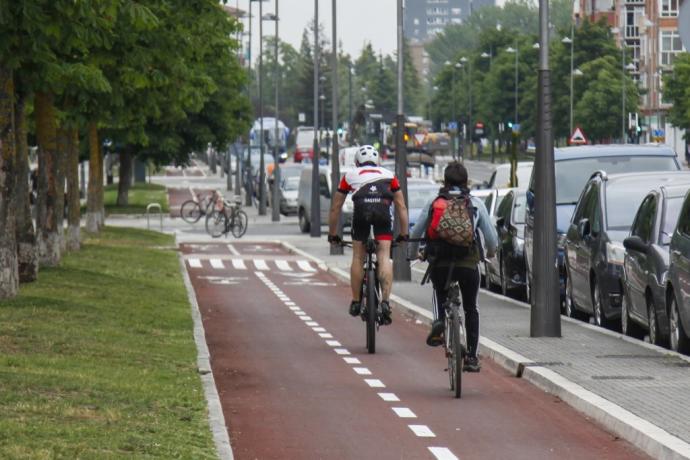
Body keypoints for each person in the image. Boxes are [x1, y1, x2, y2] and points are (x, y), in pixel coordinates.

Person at [409, 161, 497, 372]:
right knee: (471, 308)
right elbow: (491, 239)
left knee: (438, 290)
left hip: (439, 262)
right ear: (466, 182)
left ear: (445, 182)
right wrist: (490, 254)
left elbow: (416, 232)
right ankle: (473, 358)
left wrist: (414, 255)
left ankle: (438, 322)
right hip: (468, 264)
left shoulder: (434, 201)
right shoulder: (475, 203)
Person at [328, 145, 409, 325]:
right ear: (377, 161)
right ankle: (386, 302)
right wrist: (404, 234)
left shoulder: (350, 176)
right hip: (383, 216)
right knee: (384, 256)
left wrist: (333, 234)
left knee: (358, 256)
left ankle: (356, 302)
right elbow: (401, 207)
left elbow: (335, 207)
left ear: (357, 162)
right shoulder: (389, 175)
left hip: (361, 216)